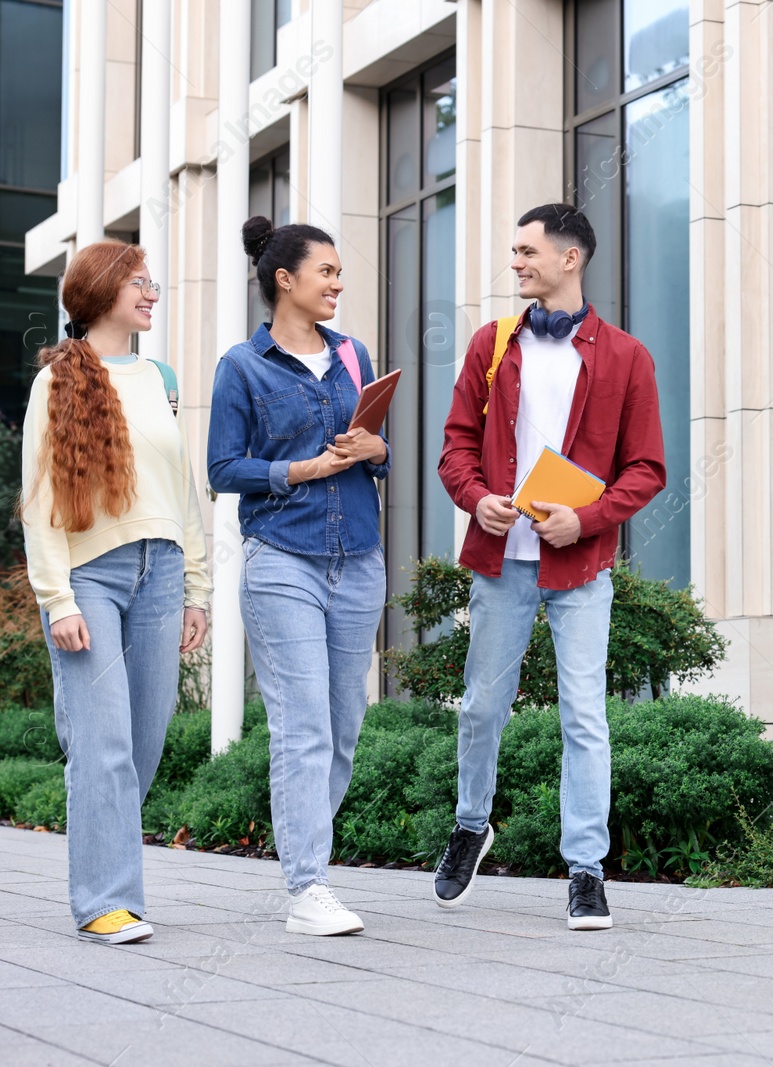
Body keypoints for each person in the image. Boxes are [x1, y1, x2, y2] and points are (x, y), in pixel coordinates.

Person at [435, 204, 666, 930]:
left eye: (527, 251)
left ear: (571, 258)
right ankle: (472, 822)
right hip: (502, 562)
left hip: (581, 568)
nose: (516, 262)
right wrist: (478, 500)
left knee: (585, 716)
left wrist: (586, 518)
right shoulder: (491, 345)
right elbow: (455, 449)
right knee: (480, 706)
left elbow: (647, 467)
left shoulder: (626, 357)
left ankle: (587, 871)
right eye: (513, 251)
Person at [20, 240, 211, 945]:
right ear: (101, 291)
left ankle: (111, 883)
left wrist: (197, 586)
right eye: (140, 282)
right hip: (88, 575)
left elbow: (181, 487)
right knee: (101, 742)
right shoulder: (59, 382)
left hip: (160, 572)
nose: (153, 292)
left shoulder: (158, 376)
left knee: (142, 741)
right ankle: (106, 901)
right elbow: (38, 498)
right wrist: (57, 598)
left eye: (153, 281)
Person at [208, 216, 389, 936]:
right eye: (328, 272)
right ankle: (308, 882)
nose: (339, 284)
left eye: (340, 274)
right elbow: (223, 469)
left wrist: (375, 448)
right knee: (303, 724)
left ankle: (309, 858)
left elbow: (377, 452)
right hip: (283, 558)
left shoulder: (353, 354)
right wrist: (298, 470)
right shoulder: (242, 367)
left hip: (360, 560)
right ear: (285, 280)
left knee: (343, 727)